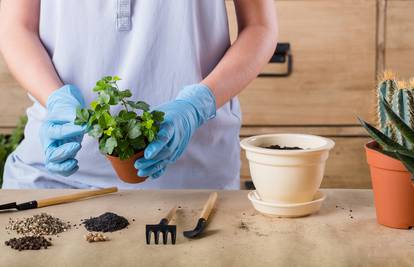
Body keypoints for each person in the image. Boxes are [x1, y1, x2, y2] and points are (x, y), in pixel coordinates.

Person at [0, 0, 278, 189]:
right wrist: (54, 99)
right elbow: (17, 27)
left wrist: (197, 105)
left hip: (195, 178)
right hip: (55, 175)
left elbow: (260, 27)